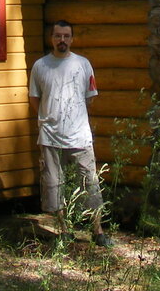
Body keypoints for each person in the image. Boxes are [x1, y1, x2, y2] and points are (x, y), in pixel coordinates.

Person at [28, 20, 114, 247]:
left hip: (79, 136)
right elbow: (34, 98)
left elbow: (90, 98)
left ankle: (98, 231)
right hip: (50, 136)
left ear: (72, 39)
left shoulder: (83, 64)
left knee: (90, 183)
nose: (62, 40)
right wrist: (49, 117)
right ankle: (64, 231)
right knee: (54, 185)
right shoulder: (40, 66)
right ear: (52, 38)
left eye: (66, 36)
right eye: (58, 36)